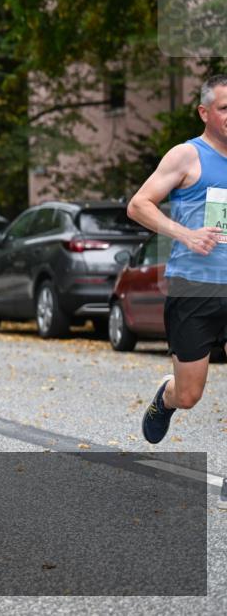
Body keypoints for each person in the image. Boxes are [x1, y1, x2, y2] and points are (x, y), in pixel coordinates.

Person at [129, 75, 226, 459]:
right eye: (224, 108)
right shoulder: (187, 155)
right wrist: (185, 234)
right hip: (195, 288)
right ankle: (166, 398)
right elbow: (139, 205)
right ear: (204, 112)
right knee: (189, 395)